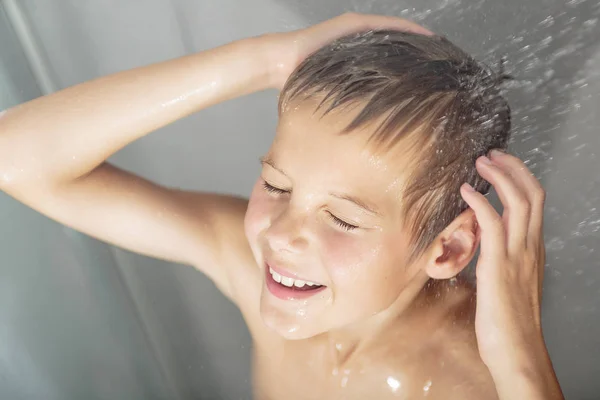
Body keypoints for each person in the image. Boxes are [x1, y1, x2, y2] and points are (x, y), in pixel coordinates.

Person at [0, 13, 563, 399]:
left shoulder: (469, 380)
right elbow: (16, 160)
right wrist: (266, 61)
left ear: (450, 248)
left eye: (343, 218)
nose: (282, 234)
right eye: (275, 184)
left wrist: (520, 365)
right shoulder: (255, 269)